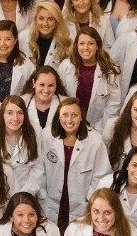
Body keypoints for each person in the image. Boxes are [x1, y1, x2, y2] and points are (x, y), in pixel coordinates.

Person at [40, 97, 112, 229]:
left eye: (74, 115)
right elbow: (40, 168)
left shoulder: (95, 140)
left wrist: (89, 200)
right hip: (51, 200)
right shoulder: (46, 136)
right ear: (58, 117)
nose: (69, 120)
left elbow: (101, 175)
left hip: (80, 202)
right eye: (65, 115)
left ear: (81, 117)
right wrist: (43, 195)